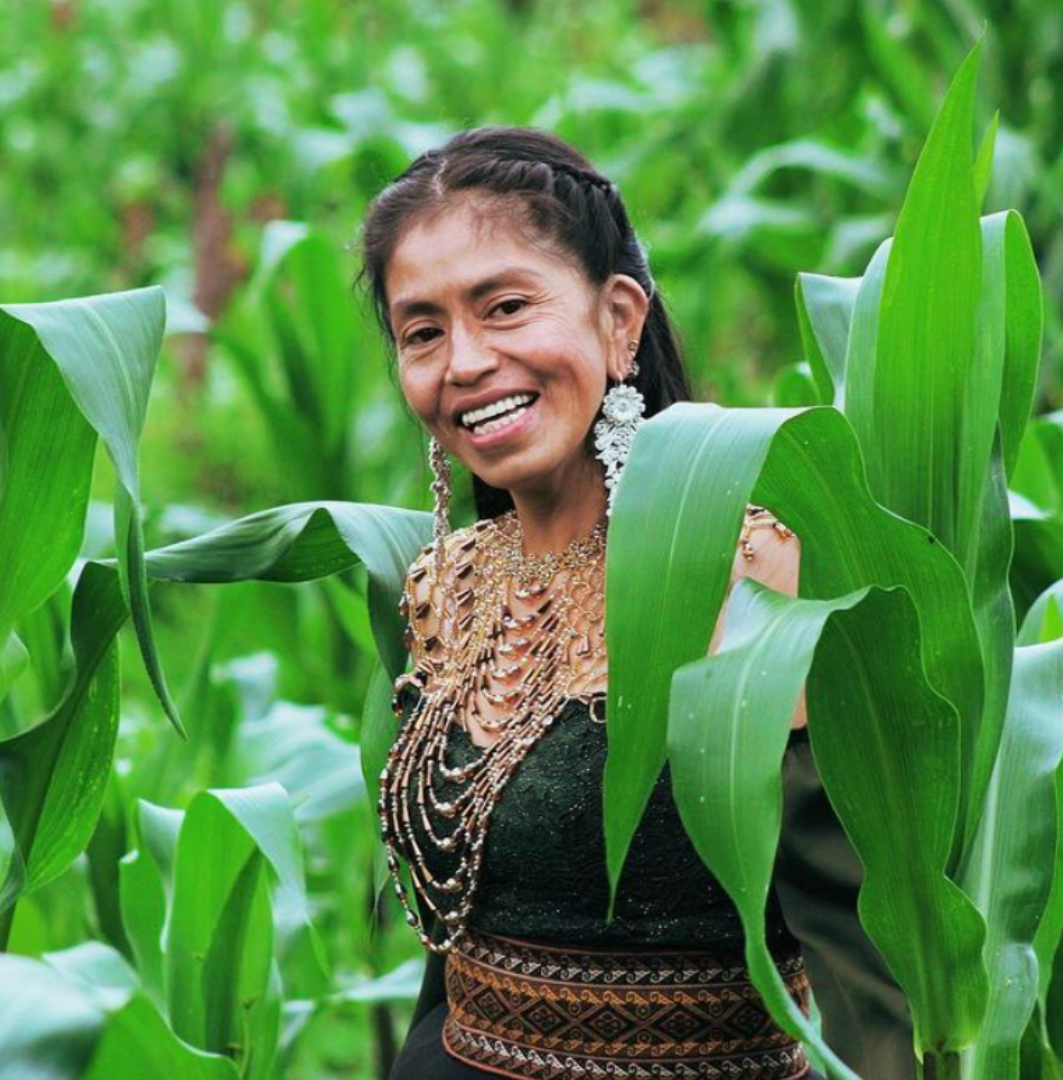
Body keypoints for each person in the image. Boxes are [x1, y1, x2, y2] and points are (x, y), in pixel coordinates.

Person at [357, 126, 914, 1080]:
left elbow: (865, 959)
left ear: (619, 320)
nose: (465, 361)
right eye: (423, 331)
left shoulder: (752, 572)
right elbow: (450, 941)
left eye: (505, 307)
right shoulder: (444, 582)